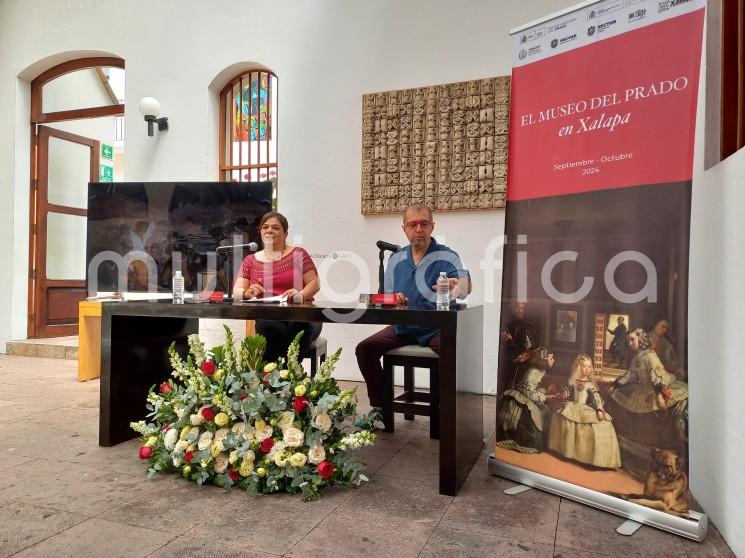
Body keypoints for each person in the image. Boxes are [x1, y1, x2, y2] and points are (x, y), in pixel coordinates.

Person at [355, 203, 471, 408]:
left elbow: (465, 285)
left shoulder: (447, 255)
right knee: (365, 349)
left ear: (432, 227)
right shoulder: (396, 259)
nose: (419, 229)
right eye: (413, 224)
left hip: (435, 328)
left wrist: (458, 286)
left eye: (424, 224)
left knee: (454, 353)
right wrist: (393, 299)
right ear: (404, 228)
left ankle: (449, 413)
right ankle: (382, 407)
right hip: (402, 328)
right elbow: (386, 297)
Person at [233, 212, 321, 363]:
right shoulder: (250, 260)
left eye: (275, 227)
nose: (269, 230)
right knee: (270, 328)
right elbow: (237, 291)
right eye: (265, 227)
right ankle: (277, 380)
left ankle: (288, 379)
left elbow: (315, 283)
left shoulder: (298, 254)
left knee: (299, 329)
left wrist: (300, 294)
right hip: (270, 316)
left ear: (285, 233)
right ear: (260, 232)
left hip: (303, 314)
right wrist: (247, 293)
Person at [605, 328, 688, 443]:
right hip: (646, 388)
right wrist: (615, 385)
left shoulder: (650, 356)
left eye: (632, 340)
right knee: (616, 395)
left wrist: (659, 394)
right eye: (628, 341)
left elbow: (657, 376)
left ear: (641, 339)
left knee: (657, 404)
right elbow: (630, 376)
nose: (629, 343)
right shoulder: (636, 358)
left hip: (662, 384)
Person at [547, 354, 621, 468]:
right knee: (563, 415)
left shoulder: (590, 384)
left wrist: (599, 410)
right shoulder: (573, 381)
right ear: (578, 367)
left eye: (589, 366)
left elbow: (595, 398)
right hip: (573, 406)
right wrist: (564, 394)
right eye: (584, 366)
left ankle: (595, 458)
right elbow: (568, 391)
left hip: (585, 408)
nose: (587, 369)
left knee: (602, 425)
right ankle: (568, 451)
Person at [497, 347, 558, 453]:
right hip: (521, 398)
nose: (553, 360)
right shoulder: (533, 371)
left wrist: (546, 393)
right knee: (536, 412)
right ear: (544, 359)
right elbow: (528, 391)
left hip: (529, 395)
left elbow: (535, 388)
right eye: (551, 358)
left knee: (546, 411)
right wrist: (546, 397)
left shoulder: (541, 370)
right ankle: (525, 441)